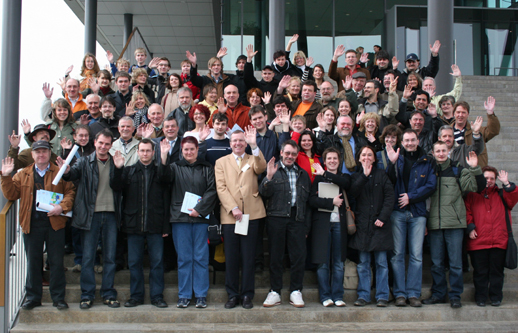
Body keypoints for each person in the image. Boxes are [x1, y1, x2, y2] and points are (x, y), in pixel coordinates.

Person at [1, 141, 76, 311]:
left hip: (54, 223)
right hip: (31, 224)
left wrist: (62, 207)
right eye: (38, 152)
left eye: (44, 151)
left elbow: (71, 191)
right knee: (33, 262)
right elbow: (11, 194)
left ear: (50, 153)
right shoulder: (23, 174)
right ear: (32, 154)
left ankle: (58, 298)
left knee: (56, 262)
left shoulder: (59, 171)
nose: (41, 155)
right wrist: (5, 177)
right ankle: (33, 297)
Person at [59, 129, 122, 309]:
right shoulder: (84, 161)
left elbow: (119, 186)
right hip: (90, 215)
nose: (103, 147)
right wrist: (67, 170)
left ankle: (108, 293)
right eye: (100, 143)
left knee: (110, 257)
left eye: (107, 144)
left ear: (111, 145)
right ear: (95, 142)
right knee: (88, 257)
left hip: (111, 214)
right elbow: (72, 175)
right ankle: (87, 294)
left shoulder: (116, 161)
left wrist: (119, 169)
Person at [423, 143, 484, 308]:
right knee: (436, 263)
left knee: (456, 263)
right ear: (433, 153)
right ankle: (438, 294)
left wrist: (474, 168)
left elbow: (474, 187)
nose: (441, 153)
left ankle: (456, 295)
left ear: (449, 152)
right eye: (438, 151)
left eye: (444, 150)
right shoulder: (429, 170)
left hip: (455, 224)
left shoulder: (458, 169)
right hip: (434, 223)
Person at [158, 136, 217, 308]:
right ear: (181, 151)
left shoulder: (206, 168)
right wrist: (163, 156)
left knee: (200, 257)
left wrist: (200, 209)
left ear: (198, 150)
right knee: (184, 258)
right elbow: (162, 178)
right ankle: (184, 295)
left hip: (200, 218)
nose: (189, 152)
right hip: (179, 218)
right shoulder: (174, 167)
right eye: (186, 150)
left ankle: (200, 295)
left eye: (192, 149)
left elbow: (212, 190)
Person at [111, 139, 169, 308]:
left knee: (157, 263)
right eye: (142, 150)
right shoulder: (129, 171)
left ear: (153, 152)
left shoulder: (159, 170)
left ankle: (157, 296)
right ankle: (136, 296)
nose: (145, 153)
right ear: (137, 152)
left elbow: (168, 181)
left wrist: (164, 157)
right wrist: (118, 168)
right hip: (133, 224)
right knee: (135, 263)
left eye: (148, 151)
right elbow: (116, 186)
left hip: (155, 223)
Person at [214, 129, 267, 309]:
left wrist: (254, 146)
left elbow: (262, 168)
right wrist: (233, 208)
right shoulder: (221, 162)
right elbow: (221, 188)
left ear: (245, 143)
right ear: (230, 143)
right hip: (230, 216)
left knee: (248, 257)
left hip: (252, 214)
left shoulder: (253, 159)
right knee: (232, 257)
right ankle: (232, 294)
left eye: (241, 141)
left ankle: (247, 295)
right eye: (234, 141)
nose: (237, 143)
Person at [385, 129, 437, 307]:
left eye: (412, 140)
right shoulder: (397, 158)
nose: (409, 143)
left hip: (417, 213)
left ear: (418, 141)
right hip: (397, 212)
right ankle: (399, 293)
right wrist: (391, 164)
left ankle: (413, 293)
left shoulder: (427, 160)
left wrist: (411, 196)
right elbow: (388, 181)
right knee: (397, 254)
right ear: (402, 141)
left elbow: (431, 186)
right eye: (406, 140)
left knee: (416, 255)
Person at [259, 140, 311, 308]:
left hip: (297, 219)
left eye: (293, 154)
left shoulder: (303, 174)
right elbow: (263, 193)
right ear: (281, 153)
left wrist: (306, 226)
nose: (290, 156)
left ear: (297, 155)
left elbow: (307, 202)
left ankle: (296, 290)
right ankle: (275, 291)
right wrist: (268, 177)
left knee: (298, 257)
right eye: (287, 153)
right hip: (276, 217)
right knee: (276, 256)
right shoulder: (273, 170)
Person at [348, 145, 394, 307]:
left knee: (381, 263)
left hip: (380, 225)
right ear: (359, 158)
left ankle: (382, 296)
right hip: (362, 226)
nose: (366, 158)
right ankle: (364, 295)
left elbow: (390, 197)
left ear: (375, 159)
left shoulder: (382, 175)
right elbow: (353, 193)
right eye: (363, 155)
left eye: (370, 155)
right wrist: (364, 177)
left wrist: (383, 217)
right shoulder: (355, 177)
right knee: (363, 264)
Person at [466, 166, 518, 307]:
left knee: (497, 272)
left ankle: (496, 297)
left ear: (495, 180)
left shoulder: (502, 194)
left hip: (498, 241)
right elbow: (466, 212)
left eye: (491, 178)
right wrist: (470, 227)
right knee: (480, 272)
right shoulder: (472, 194)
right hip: (478, 241)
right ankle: (481, 297)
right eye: (486, 178)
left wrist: (507, 184)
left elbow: (513, 198)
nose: (488, 181)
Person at [309, 148, 351, 307]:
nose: (332, 161)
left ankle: (338, 295)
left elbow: (346, 184)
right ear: (324, 162)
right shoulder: (317, 180)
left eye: (335, 158)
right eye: (329, 159)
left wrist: (325, 174)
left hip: (340, 224)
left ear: (339, 161)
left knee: (339, 262)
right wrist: (330, 203)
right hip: (322, 224)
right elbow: (312, 200)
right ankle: (325, 296)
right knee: (322, 262)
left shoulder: (344, 177)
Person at [452, 98, 500, 167]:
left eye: (463, 112)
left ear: (468, 114)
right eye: (458, 112)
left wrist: (490, 113)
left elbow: (493, 131)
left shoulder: (477, 130)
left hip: (474, 171)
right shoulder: (447, 131)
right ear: (454, 114)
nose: (460, 115)